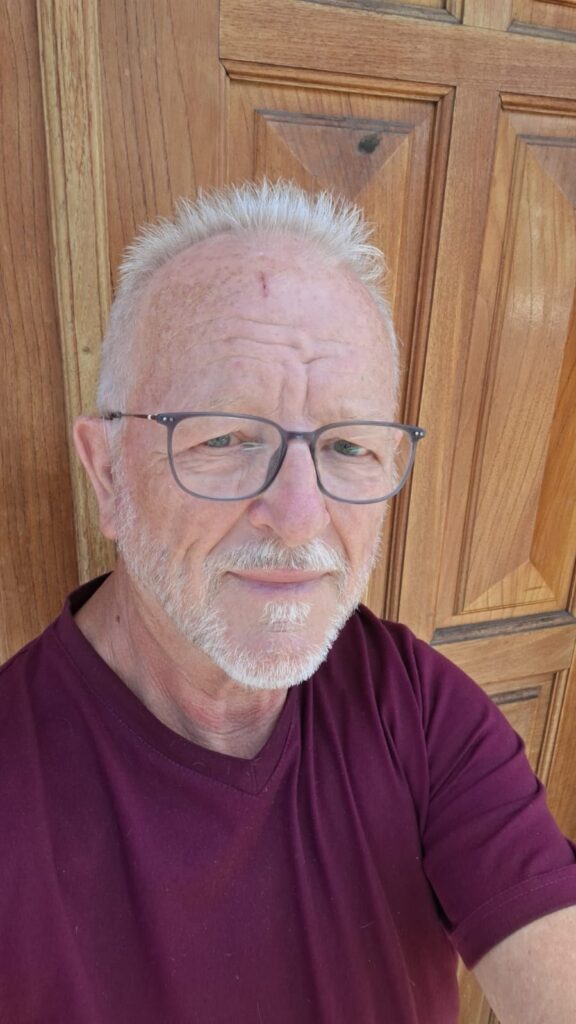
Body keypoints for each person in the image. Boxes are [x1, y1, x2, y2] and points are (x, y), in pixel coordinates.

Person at [1, 181, 575, 1024]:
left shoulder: (415, 712)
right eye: (227, 437)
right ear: (108, 474)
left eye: (348, 446)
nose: (301, 515)